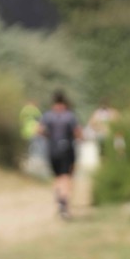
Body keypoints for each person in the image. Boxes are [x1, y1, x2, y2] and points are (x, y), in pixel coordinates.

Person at [38, 90, 81, 220]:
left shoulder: (48, 115)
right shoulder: (69, 116)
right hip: (67, 150)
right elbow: (78, 133)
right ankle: (64, 202)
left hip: (52, 150)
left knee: (57, 176)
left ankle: (59, 198)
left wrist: (49, 137)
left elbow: (39, 130)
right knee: (66, 176)